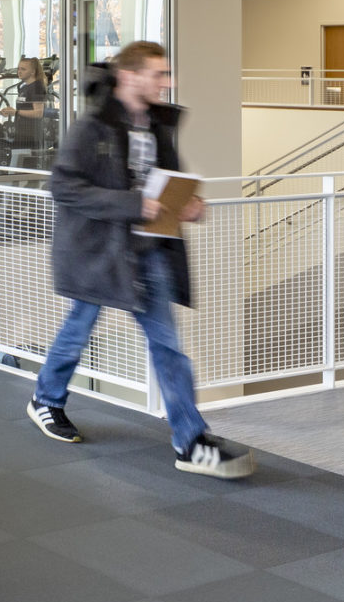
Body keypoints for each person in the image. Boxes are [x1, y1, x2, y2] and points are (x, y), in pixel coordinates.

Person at [25, 41, 254, 479]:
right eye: (158, 74)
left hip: (147, 252)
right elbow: (64, 187)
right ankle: (46, 400)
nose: (166, 83)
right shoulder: (92, 126)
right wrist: (135, 205)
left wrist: (188, 205)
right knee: (79, 329)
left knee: (168, 347)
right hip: (98, 250)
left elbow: (165, 184)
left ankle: (191, 441)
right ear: (129, 76)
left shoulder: (157, 125)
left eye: (167, 75)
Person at [2, 57, 50, 156]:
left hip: (31, 136)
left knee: (24, 166)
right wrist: (10, 112)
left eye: (23, 69)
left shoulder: (37, 87)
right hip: (21, 133)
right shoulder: (24, 87)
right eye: (18, 68)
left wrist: (15, 112)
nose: (19, 72)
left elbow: (39, 113)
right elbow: (24, 109)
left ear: (32, 72)